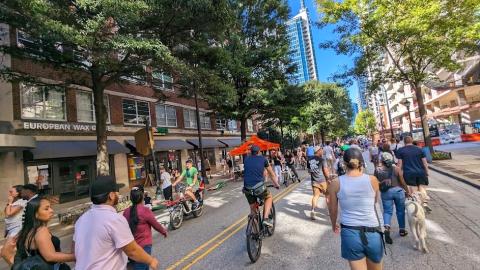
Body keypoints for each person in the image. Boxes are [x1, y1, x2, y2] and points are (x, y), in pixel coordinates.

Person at [74, 176, 159, 270]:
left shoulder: (81, 220)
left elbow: (76, 251)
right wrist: (151, 260)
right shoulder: (114, 219)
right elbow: (132, 251)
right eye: (116, 192)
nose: (118, 194)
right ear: (111, 195)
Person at [327, 148, 384, 270]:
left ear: (344, 164)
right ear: (362, 163)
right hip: (373, 231)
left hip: (350, 232)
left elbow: (332, 209)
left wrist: (333, 224)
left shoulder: (336, 183)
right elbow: (375, 203)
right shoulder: (372, 180)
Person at [13, 197, 75, 268]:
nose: (51, 210)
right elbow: (50, 256)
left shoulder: (28, 230)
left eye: (50, 207)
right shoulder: (41, 230)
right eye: (46, 209)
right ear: (36, 214)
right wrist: (75, 256)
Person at [123, 186, 167, 270]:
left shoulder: (126, 212)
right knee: (142, 267)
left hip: (130, 247)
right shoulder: (145, 210)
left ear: (131, 199)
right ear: (142, 197)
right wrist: (163, 232)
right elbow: (155, 224)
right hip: (144, 247)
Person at [374, 152, 410, 244]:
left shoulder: (377, 170)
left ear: (381, 160)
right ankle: (402, 230)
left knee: (387, 211)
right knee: (400, 211)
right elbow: (402, 182)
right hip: (398, 192)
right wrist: (407, 192)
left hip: (386, 193)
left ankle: (386, 227)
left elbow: (375, 183)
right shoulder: (397, 169)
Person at [243, 145, 280, 227]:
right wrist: (276, 184)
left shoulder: (246, 159)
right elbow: (271, 174)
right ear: (259, 152)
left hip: (247, 188)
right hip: (258, 187)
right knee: (268, 197)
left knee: (253, 209)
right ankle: (266, 219)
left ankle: (254, 228)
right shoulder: (263, 159)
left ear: (251, 152)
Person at [396, 136, 431, 211]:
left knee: (414, 191)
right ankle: (424, 202)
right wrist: (427, 172)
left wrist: (398, 174)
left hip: (409, 173)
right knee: (422, 188)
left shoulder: (401, 150)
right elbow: (425, 163)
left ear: (404, 142)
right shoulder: (419, 149)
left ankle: (418, 207)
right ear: (412, 141)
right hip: (421, 172)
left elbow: (399, 164)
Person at [1, 185, 27, 265]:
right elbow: (6, 215)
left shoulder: (22, 202)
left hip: (17, 230)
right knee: (10, 253)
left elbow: (9, 214)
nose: (9, 193)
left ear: (18, 193)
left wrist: (9, 202)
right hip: (11, 230)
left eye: (11, 191)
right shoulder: (14, 202)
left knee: (5, 253)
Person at [307, 146, 331, 220]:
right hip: (323, 180)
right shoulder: (322, 160)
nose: (322, 151)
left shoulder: (309, 160)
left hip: (314, 180)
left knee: (315, 196)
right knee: (327, 195)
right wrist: (329, 179)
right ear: (318, 151)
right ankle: (329, 211)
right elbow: (325, 171)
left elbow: (309, 171)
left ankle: (313, 211)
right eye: (321, 150)